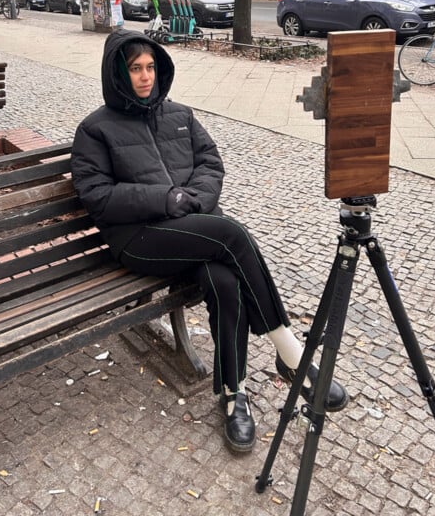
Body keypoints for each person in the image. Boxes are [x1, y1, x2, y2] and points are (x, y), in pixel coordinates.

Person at [71, 28, 348, 453]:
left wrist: (193, 199)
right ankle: (292, 353)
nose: (145, 77)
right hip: (138, 239)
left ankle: (234, 395)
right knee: (232, 233)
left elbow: (210, 164)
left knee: (224, 283)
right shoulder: (95, 129)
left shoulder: (180, 115)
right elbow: (98, 197)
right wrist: (166, 198)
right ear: (118, 75)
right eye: (135, 69)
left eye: (150, 68)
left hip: (194, 231)